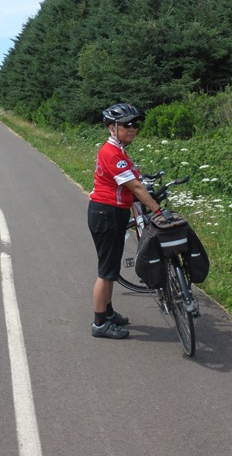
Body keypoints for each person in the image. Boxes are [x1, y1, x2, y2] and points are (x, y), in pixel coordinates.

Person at [88, 103, 162, 339]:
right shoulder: (111, 153)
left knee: (111, 268)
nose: (133, 129)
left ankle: (107, 312)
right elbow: (136, 187)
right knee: (106, 271)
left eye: (135, 124)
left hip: (112, 212)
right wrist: (158, 211)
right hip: (107, 213)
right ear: (112, 128)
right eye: (127, 124)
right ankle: (100, 323)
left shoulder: (117, 150)